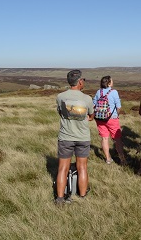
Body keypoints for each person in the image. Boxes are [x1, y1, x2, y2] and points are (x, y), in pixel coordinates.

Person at [55, 69, 94, 204]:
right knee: (82, 167)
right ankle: (82, 196)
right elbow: (91, 116)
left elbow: (61, 113)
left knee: (62, 168)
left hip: (66, 136)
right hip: (82, 137)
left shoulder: (60, 97)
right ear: (79, 82)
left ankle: (60, 198)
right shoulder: (87, 99)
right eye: (83, 80)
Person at [93, 76, 127, 165]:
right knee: (117, 138)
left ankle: (108, 159)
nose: (113, 82)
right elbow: (118, 106)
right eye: (112, 81)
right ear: (108, 83)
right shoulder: (114, 92)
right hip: (112, 118)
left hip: (100, 118)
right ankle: (122, 159)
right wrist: (116, 114)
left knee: (104, 138)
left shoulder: (98, 92)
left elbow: (94, 104)